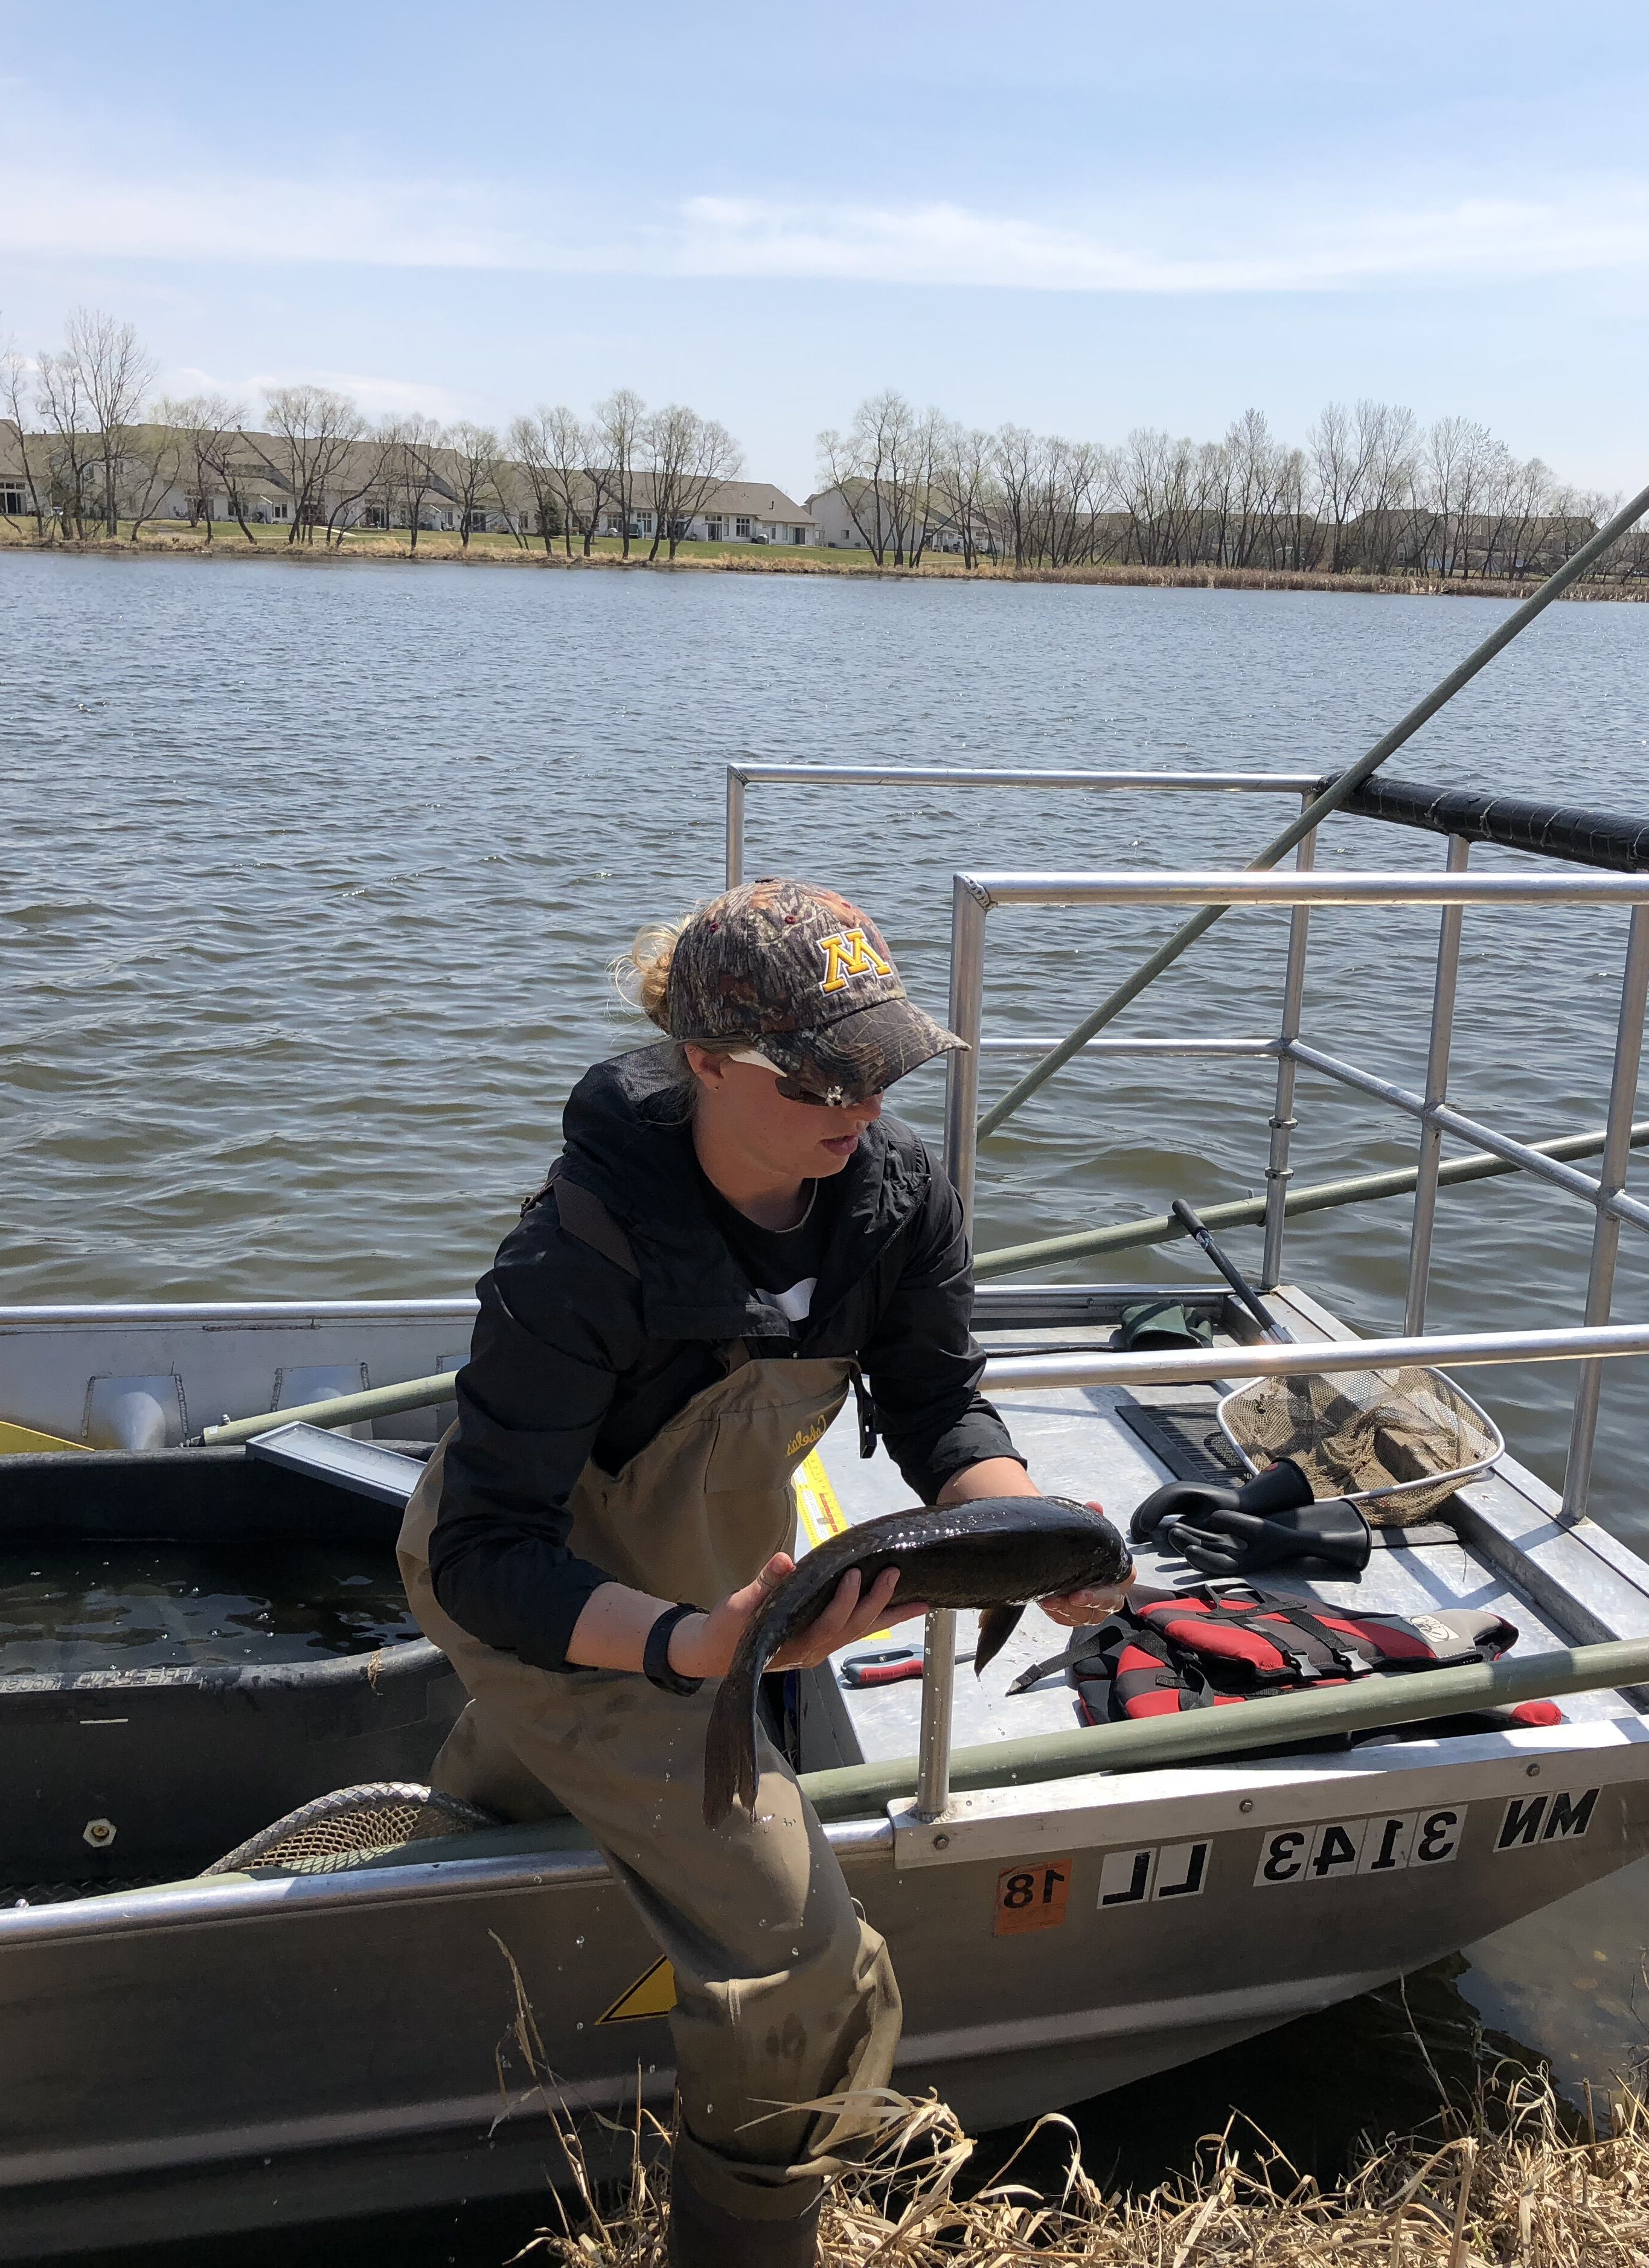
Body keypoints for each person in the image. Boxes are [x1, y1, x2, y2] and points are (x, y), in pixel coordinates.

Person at [397, 878, 1129, 2267]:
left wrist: (1031, 1535)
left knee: (532, 1791)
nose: (858, 1105)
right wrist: (694, 1650)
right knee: (806, 1962)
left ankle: (439, 1892)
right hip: (545, 1589)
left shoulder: (895, 1198)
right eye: (818, 1078)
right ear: (705, 1065)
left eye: (882, 1064)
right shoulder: (577, 1254)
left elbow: (939, 1409)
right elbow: (489, 1556)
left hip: (714, 1576)